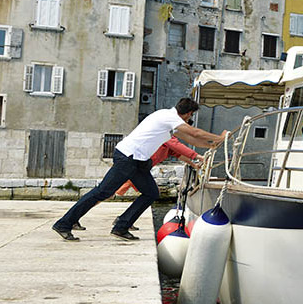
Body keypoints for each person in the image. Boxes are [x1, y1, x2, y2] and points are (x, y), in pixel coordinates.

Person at [51, 98, 227, 242]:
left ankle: (121, 227)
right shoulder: (169, 116)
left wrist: (214, 144)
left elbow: (193, 140)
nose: (189, 119)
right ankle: (64, 223)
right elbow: (194, 133)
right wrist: (219, 137)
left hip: (138, 162)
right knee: (102, 192)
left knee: (151, 193)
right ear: (188, 114)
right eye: (190, 117)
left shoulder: (169, 122)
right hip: (128, 157)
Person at [113, 137, 198, 197]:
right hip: (138, 164)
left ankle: (112, 198)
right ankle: (111, 199)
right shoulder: (167, 138)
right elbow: (177, 146)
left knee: (147, 191)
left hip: (143, 167)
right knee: (122, 186)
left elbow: (178, 154)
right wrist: (197, 156)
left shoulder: (168, 146)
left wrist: (193, 164)